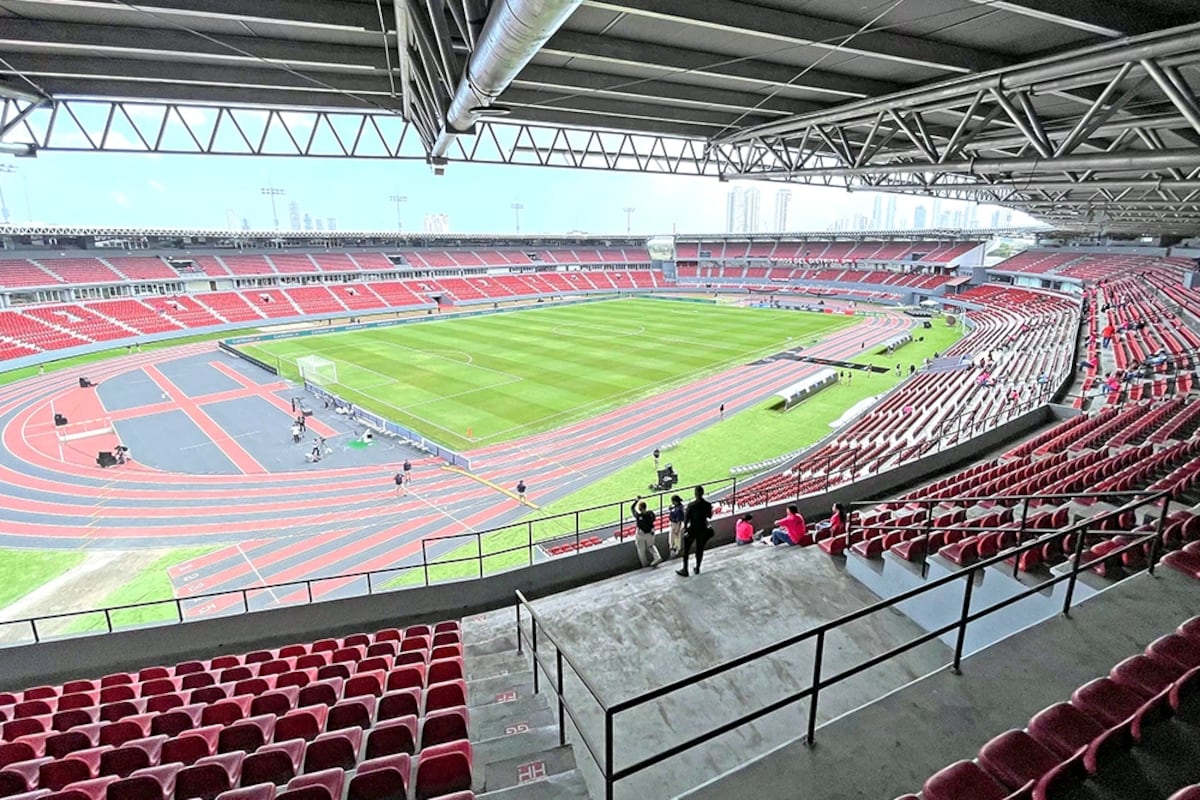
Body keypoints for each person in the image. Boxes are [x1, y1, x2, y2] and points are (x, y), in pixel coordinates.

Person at [676, 485, 713, 577]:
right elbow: (709, 516)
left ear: (695, 494)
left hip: (693, 529)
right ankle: (697, 567)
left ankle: (685, 569)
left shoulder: (691, 505)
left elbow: (686, 520)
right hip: (703, 529)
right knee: (700, 549)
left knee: (686, 551)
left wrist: (686, 530)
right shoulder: (707, 505)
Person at [630, 497, 662, 567]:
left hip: (640, 534)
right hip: (650, 532)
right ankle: (657, 557)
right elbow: (654, 519)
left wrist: (636, 501)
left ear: (639, 508)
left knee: (641, 550)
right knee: (651, 546)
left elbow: (632, 508)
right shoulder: (650, 513)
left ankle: (644, 563)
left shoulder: (638, 516)